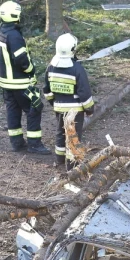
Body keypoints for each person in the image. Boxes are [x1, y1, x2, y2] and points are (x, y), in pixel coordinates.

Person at [0, 1, 49, 154]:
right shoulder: (14, 36)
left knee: (13, 110)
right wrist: (31, 70)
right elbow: (21, 59)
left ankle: (16, 143)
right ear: (16, 15)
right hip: (21, 83)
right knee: (34, 108)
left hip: (5, 83)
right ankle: (34, 144)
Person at [41, 33, 94, 168]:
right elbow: (84, 92)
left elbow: (46, 90)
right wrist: (89, 109)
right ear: (73, 49)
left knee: (61, 133)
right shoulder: (77, 69)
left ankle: (60, 159)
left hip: (59, 108)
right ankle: (72, 164)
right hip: (75, 111)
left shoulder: (51, 67)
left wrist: (54, 103)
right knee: (73, 136)